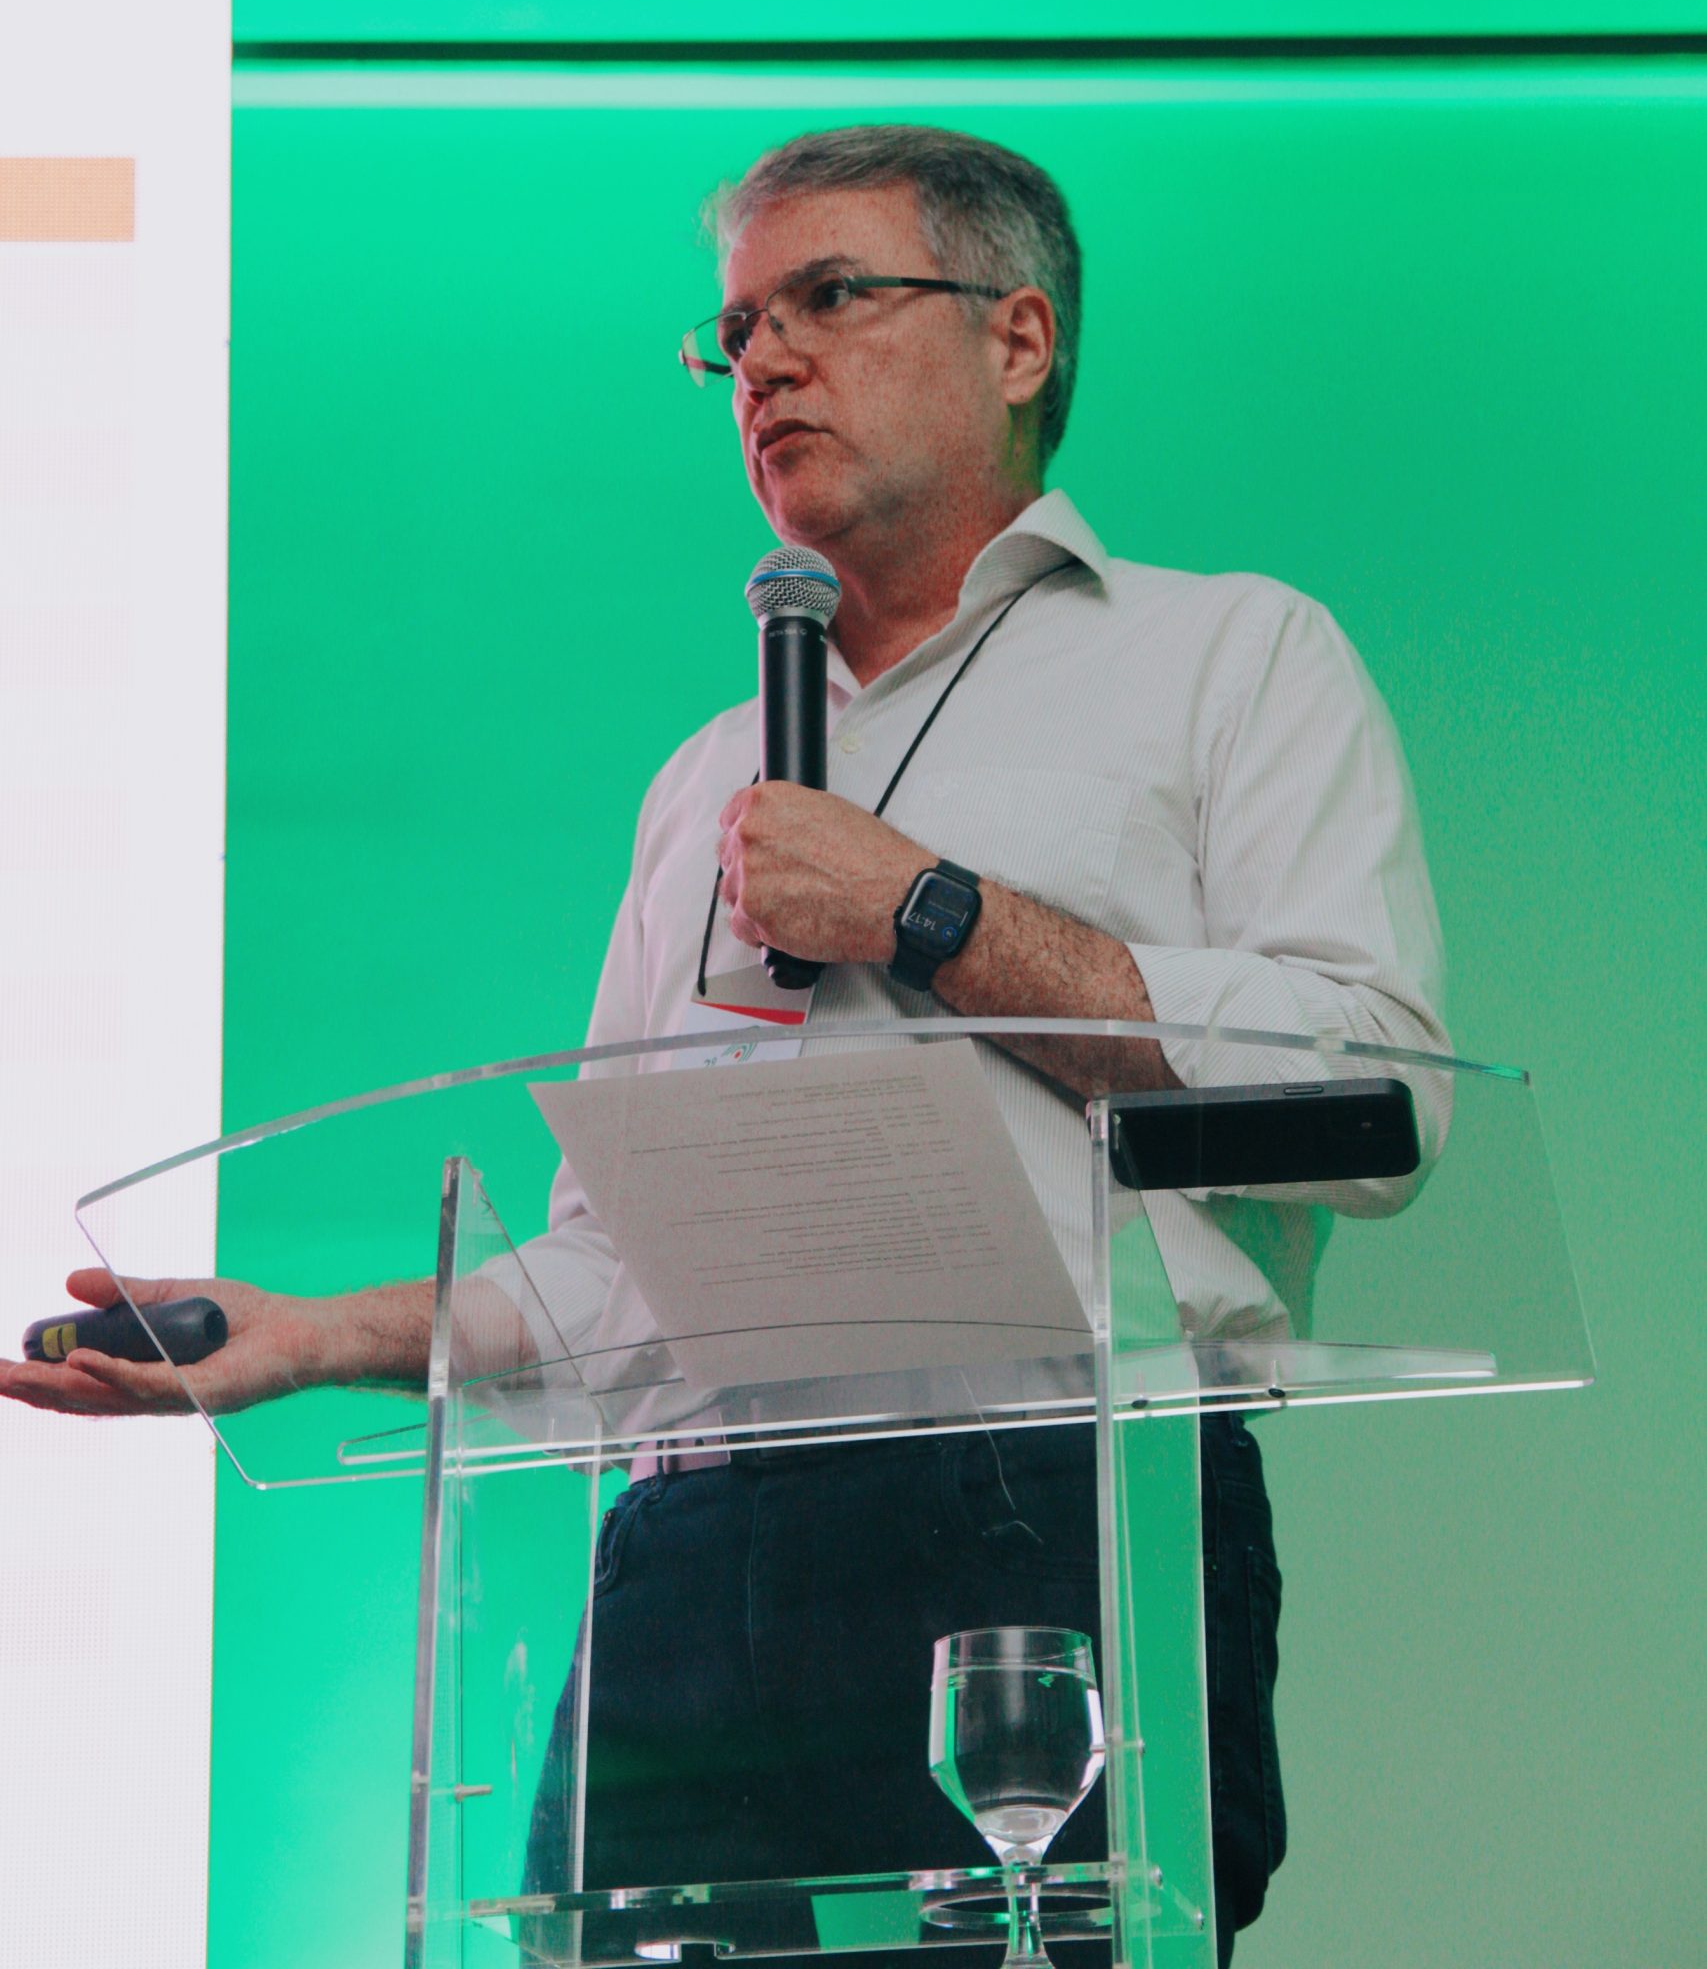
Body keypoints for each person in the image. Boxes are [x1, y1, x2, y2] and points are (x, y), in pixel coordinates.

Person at [1, 124, 1448, 1965]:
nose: (764, 361)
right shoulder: (707, 776)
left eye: (830, 297)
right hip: (692, 1560)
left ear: (1018, 338)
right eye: (739, 329)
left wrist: (931, 913)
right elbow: (623, 1267)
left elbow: (1374, 1106)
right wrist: (309, 1337)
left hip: (1053, 1515)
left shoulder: (1231, 659)